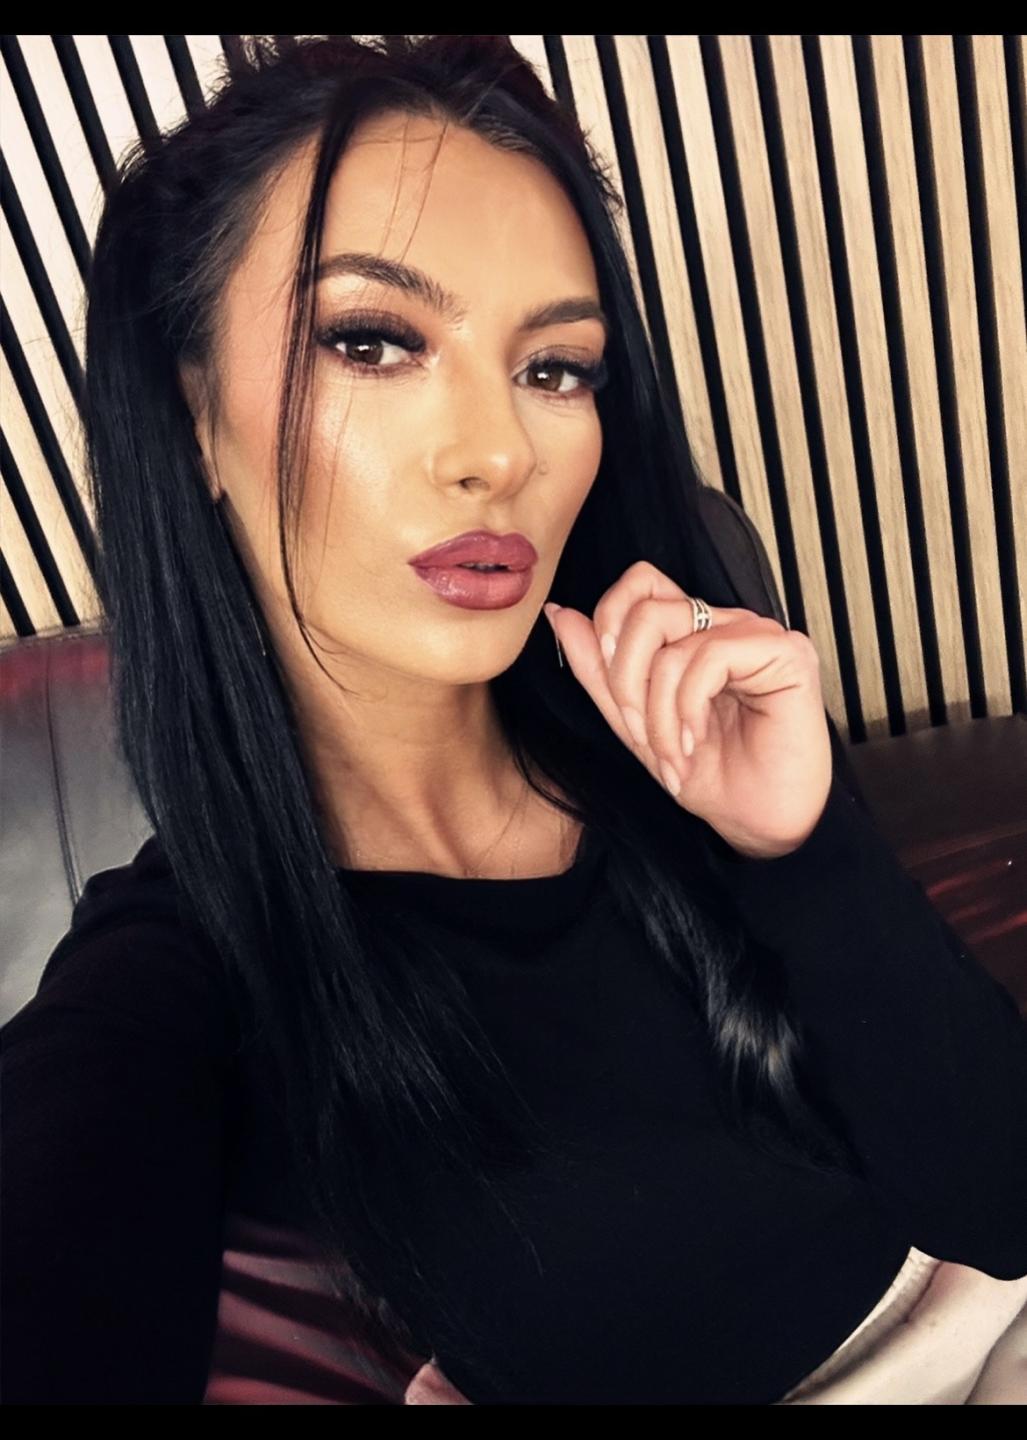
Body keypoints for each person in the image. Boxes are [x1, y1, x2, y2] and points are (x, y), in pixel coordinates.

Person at [2, 35, 1026, 1406]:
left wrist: (808, 850)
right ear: (195, 414)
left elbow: (1002, 1201)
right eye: (372, 341)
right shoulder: (185, 962)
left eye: (556, 368)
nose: (498, 451)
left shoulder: (678, 736)